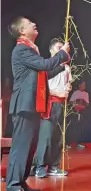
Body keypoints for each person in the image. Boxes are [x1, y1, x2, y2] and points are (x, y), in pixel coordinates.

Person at [5, 17, 70, 191]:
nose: (35, 24)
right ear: (22, 31)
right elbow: (43, 65)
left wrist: (61, 65)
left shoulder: (31, 50)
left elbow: (45, 72)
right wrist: (61, 54)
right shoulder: (22, 49)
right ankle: (12, 186)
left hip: (32, 105)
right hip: (24, 105)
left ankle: (21, 181)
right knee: (21, 147)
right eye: (29, 23)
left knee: (29, 148)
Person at [31, 39, 72, 179]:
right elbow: (42, 89)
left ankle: (53, 166)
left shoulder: (66, 67)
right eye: (59, 47)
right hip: (50, 104)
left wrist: (68, 88)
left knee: (59, 137)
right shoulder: (47, 66)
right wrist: (57, 93)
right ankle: (39, 166)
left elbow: (68, 83)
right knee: (46, 137)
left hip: (62, 104)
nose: (63, 50)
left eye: (64, 47)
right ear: (52, 51)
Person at [66, 80, 89, 149]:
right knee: (72, 127)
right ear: (79, 85)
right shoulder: (75, 93)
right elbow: (70, 101)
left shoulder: (86, 94)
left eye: (85, 85)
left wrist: (82, 103)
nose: (84, 86)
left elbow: (87, 103)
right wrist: (76, 103)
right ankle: (68, 143)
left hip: (82, 112)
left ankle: (79, 143)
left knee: (80, 128)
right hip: (74, 112)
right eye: (83, 84)